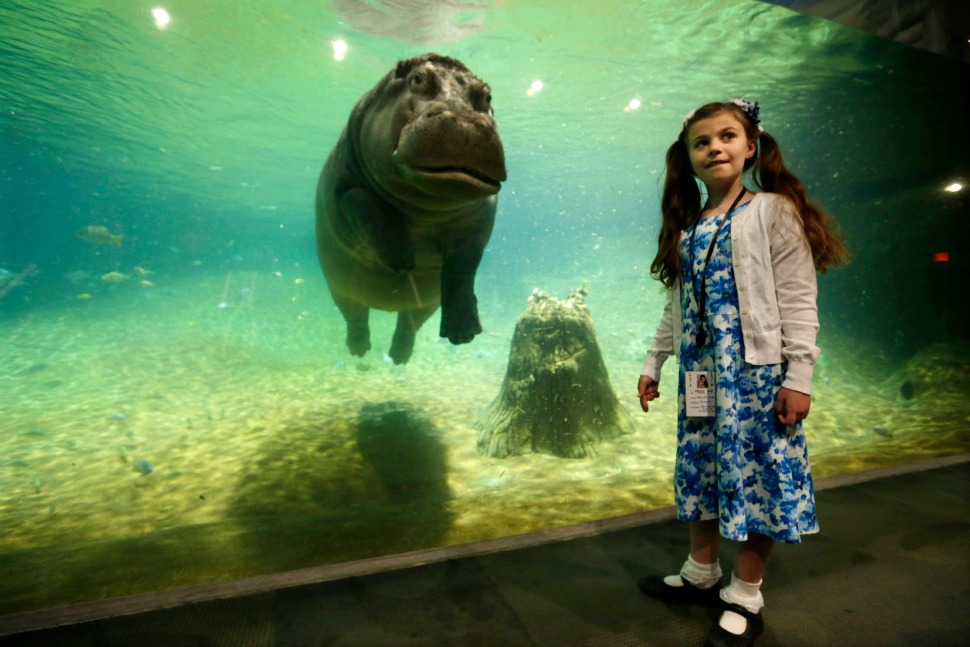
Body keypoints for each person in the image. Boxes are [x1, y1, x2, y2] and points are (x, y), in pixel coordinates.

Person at [636, 98, 848, 647]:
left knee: (761, 478)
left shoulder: (772, 211)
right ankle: (701, 572)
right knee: (703, 471)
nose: (715, 148)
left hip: (756, 377)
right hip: (701, 380)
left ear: (750, 145)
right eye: (701, 142)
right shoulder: (687, 227)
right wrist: (654, 361)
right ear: (687, 159)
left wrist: (799, 375)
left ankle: (745, 592)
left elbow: (800, 297)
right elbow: (676, 306)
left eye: (727, 136)